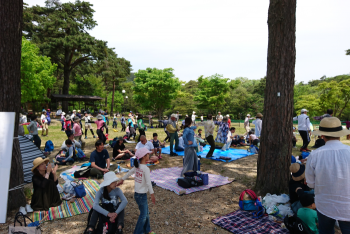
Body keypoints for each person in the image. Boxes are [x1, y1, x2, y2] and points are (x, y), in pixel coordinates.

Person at [305, 117, 350, 233]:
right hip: (347, 206)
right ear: (340, 135)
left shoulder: (315, 155)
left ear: (322, 136)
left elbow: (310, 183)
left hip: (325, 204)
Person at [118, 148, 156, 234]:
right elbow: (149, 183)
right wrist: (152, 194)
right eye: (147, 154)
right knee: (143, 215)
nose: (149, 155)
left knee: (145, 213)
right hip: (142, 195)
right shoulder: (145, 169)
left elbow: (129, 173)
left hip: (137, 195)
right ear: (144, 156)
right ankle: (137, 232)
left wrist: (122, 179)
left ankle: (147, 230)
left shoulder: (137, 166)